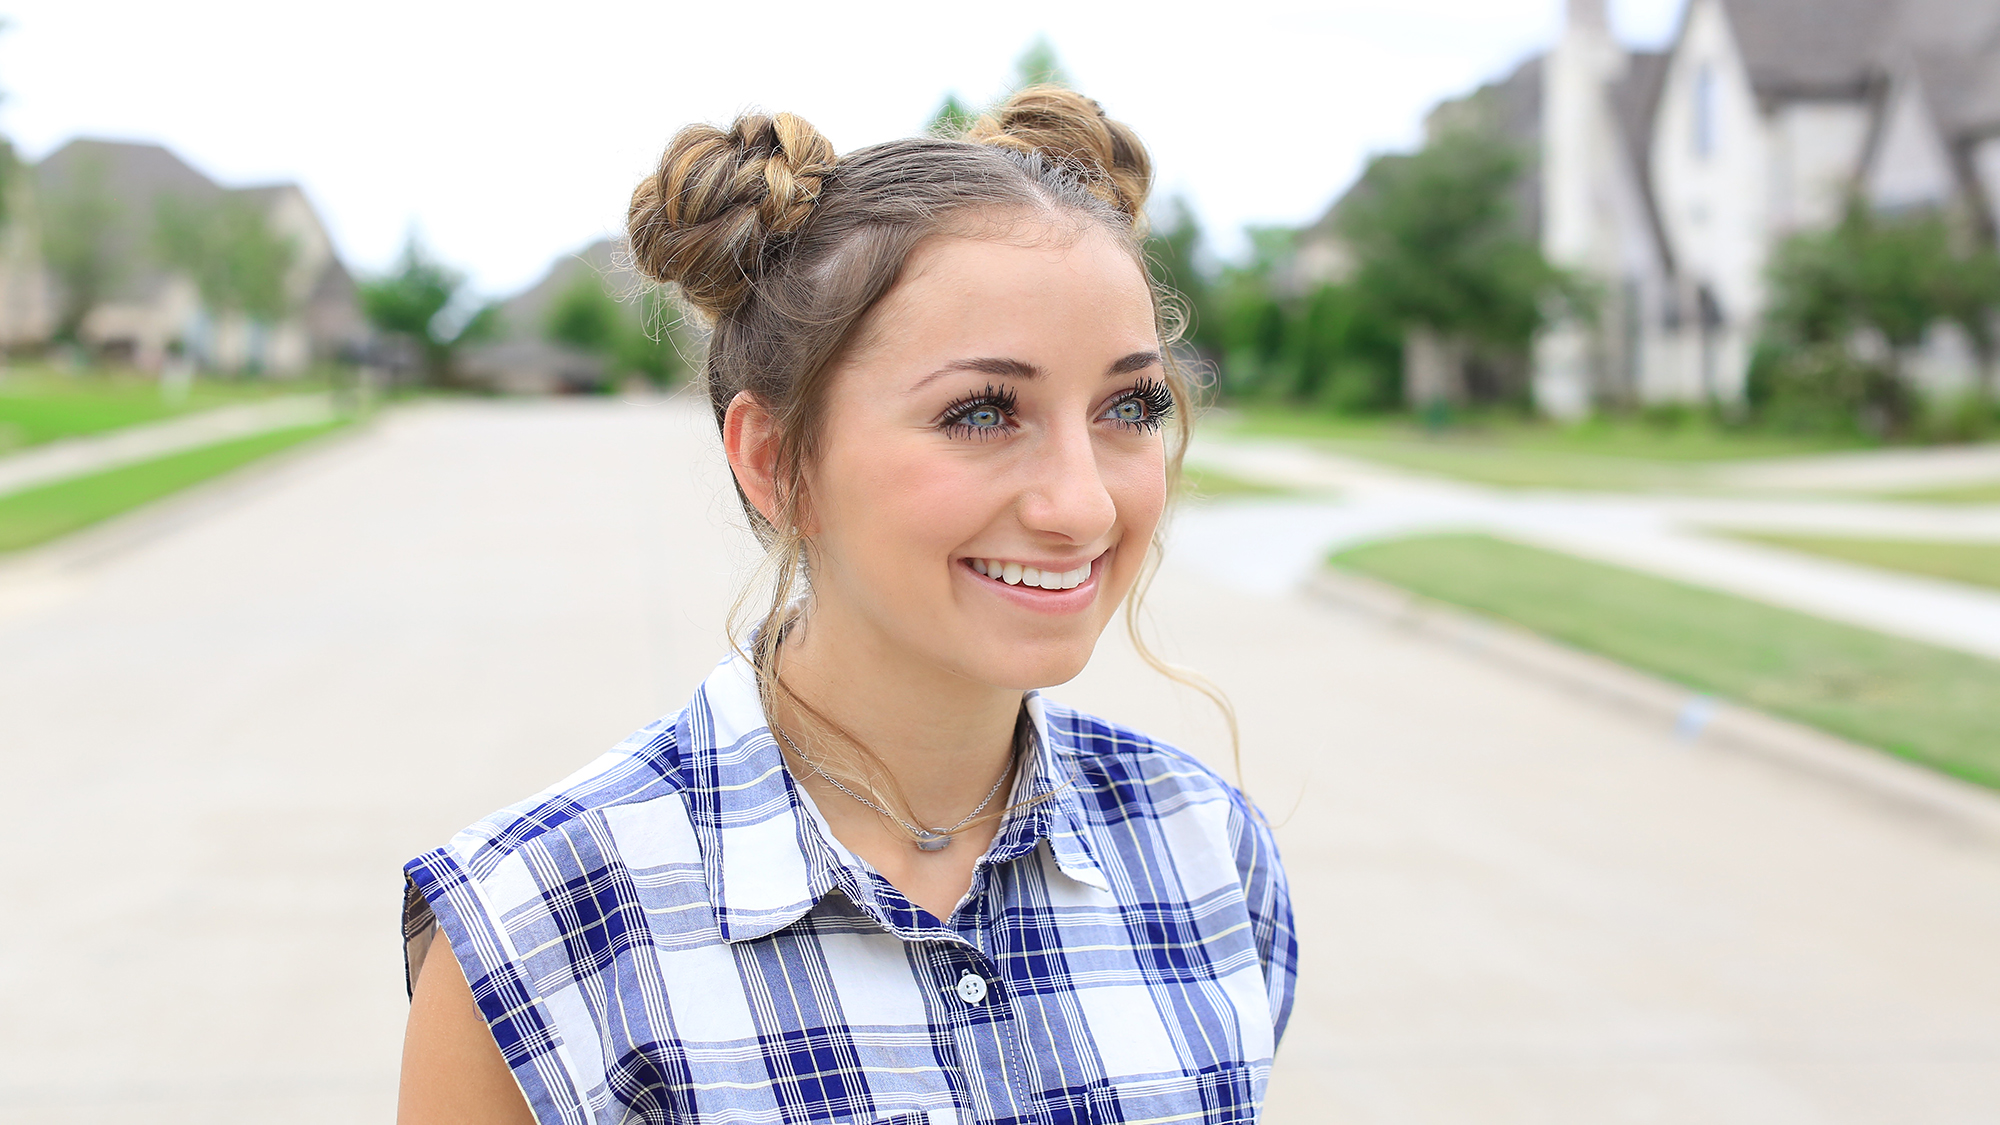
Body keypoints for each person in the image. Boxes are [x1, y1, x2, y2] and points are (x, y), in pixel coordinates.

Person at [396, 86, 1297, 1125]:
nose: (1082, 504)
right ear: (777, 463)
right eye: (981, 412)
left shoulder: (1210, 853)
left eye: (1127, 407)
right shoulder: (538, 930)